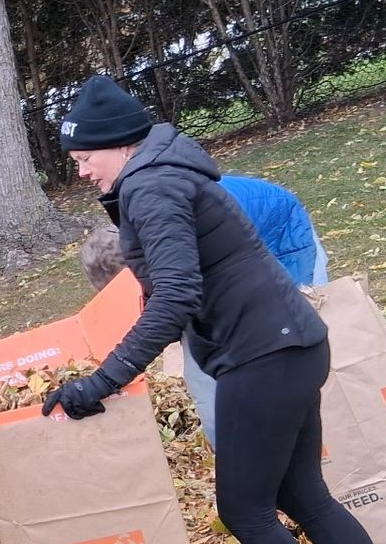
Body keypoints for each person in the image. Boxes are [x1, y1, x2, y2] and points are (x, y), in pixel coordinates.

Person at [44, 76, 386, 544]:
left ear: (116, 145)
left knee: (246, 509)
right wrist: (122, 360)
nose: (82, 170)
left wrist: (102, 381)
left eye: (83, 157)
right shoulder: (169, 174)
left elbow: (177, 294)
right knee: (306, 497)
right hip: (289, 345)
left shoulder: (150, 185)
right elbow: (173, 285)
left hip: (263, 357)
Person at [81, 169, 330, 446]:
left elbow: (191, 295)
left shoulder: (179, 232)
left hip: (282, 232)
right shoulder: (150, 231)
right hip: (241, 233)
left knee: (296, 324)